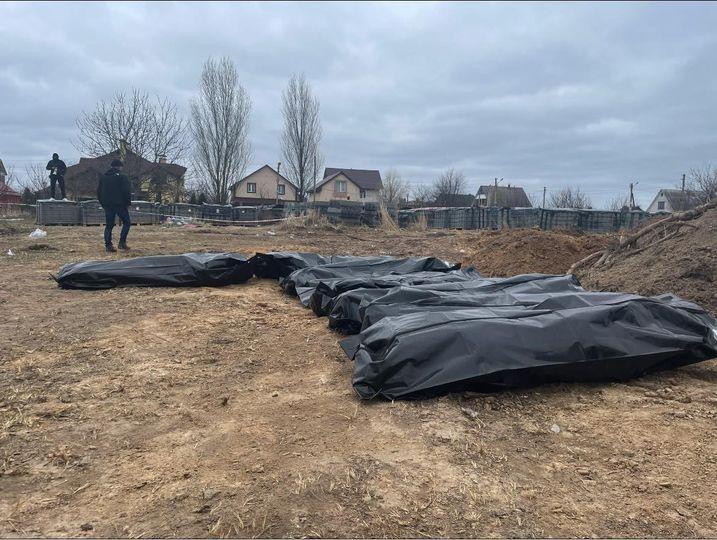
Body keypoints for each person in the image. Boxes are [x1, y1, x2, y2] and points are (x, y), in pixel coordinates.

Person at [97, 159, 132, 252]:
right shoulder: (122, 177)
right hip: (120, 205)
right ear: (120, 167)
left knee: (109, 225)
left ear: (111, 166)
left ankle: (108, 245)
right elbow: (126, 191)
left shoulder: (103, 177)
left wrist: (103, 203)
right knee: (127, 223)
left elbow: (99, 192)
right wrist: (128, 203)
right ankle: (122, 243)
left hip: (108, 205)